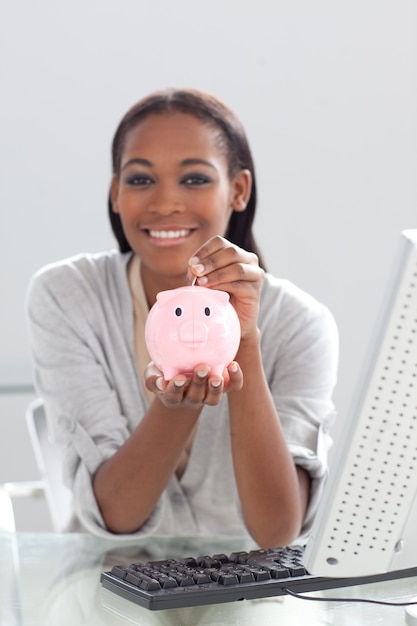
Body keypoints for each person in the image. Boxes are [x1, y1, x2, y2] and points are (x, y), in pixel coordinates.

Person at [26, 88, 338, 547]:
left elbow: (276, 533)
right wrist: (178, 404)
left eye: (193, 179)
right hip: (109, 586)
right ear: (115, 194)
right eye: (139, 180)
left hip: (244, 595)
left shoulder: (301, 324)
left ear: (238, 191)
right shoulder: (67, 296)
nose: (166, 203)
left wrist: (244, 341)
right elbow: (116, 516)